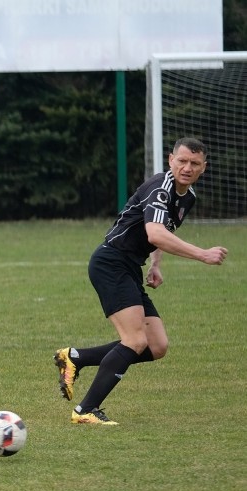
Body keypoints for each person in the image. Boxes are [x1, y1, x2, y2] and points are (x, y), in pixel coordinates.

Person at [54, 137, 228, 425]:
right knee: (134, 340)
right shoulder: (161, 188)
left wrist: (156, 265)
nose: (187, 167)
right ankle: (85, 411)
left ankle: (75, 357)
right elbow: (155, 233)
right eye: (182, 161)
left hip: (129, 266)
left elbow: (162, 229)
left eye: (194, 163)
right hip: (111, 263)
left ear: (203, 168)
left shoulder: (188, 198)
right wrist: (203, 255)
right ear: (170, 160)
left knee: (156, 346)